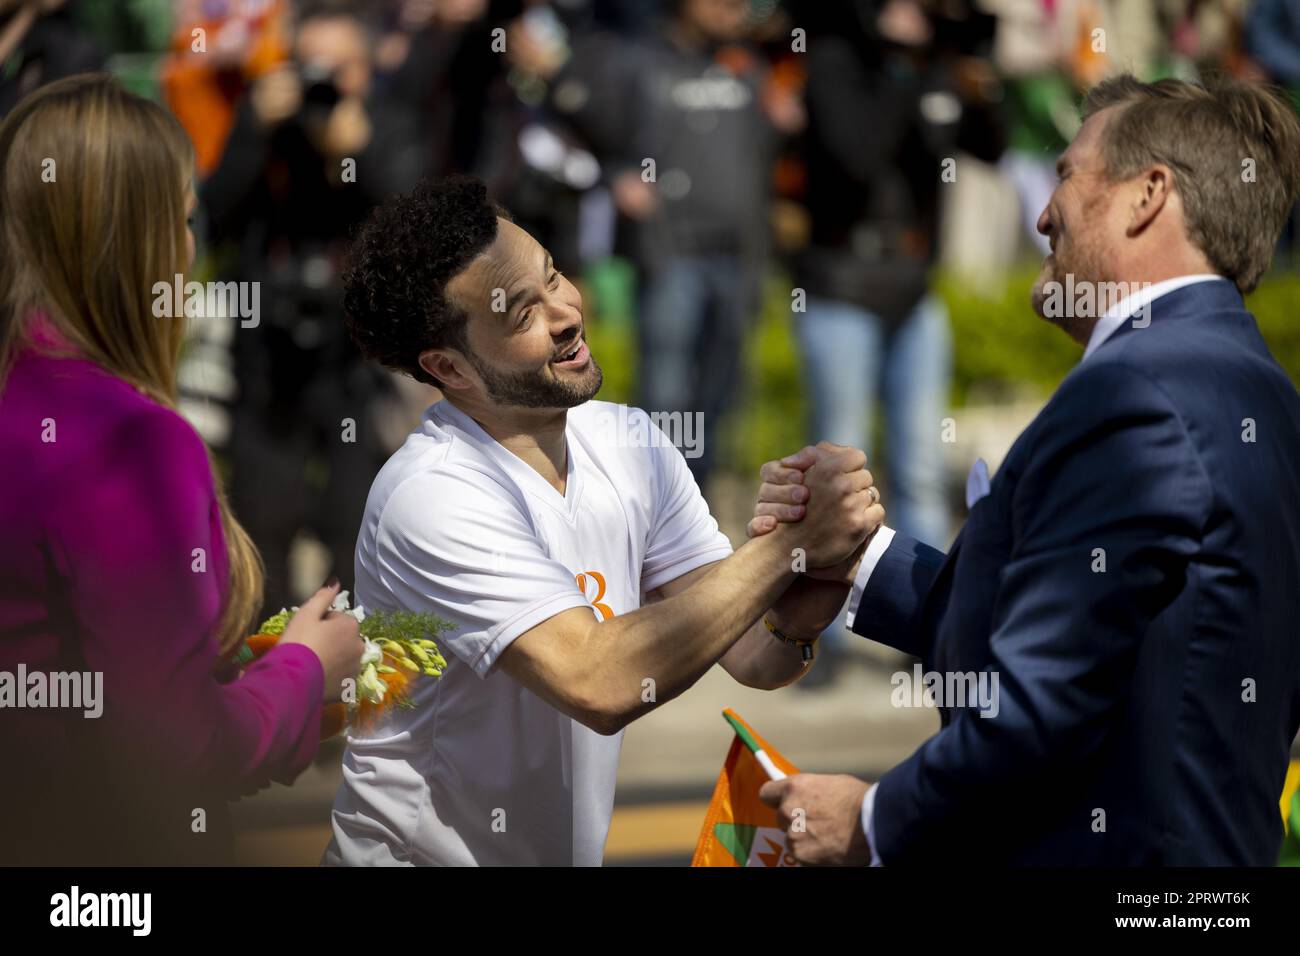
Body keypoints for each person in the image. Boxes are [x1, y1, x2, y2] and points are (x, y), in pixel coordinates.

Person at [751, 74, 1300, 866]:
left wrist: (870, 820)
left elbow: (1039, 701)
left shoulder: (1132, 391)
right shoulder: (1262, 389)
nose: (1042, 216)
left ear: (1148, 196)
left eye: (1067, 177)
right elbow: (1090, 637)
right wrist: (860, 562)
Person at [323, 176, 882, 865]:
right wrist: (783, 551)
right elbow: (599, 681)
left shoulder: (630, 441)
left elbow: (751, 654)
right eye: (522, 314)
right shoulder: (430, 495)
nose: (565, 313)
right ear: (449, 367)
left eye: (555, 276)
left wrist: (808, 579)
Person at [0, 74, 362, 865]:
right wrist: (306, 669)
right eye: (182, 218)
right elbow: (177, 744)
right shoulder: (128, 442)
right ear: (141, 242)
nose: (191, 246)